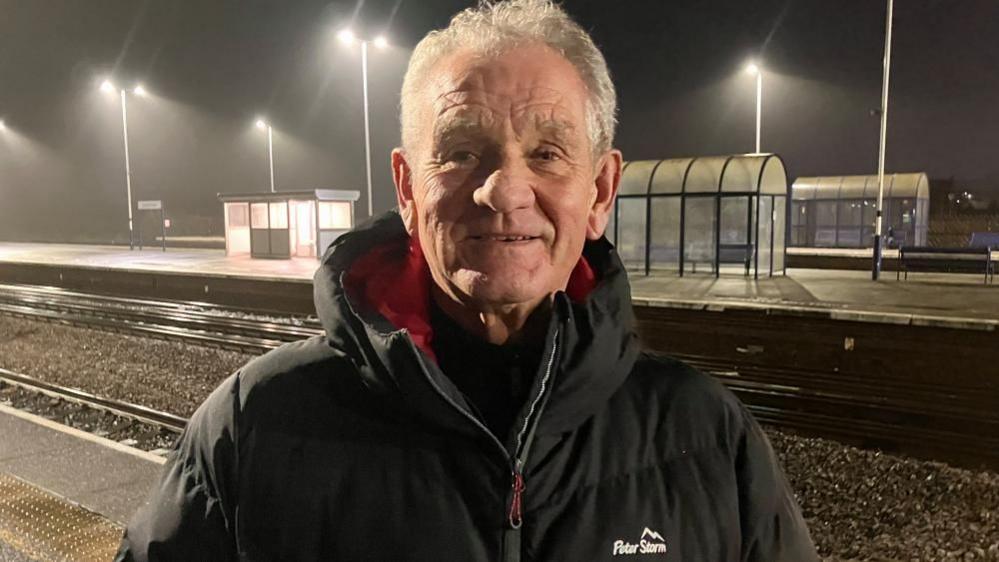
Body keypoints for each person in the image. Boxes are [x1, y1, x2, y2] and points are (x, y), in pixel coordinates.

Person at [117, 1, 818, 560]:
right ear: (407, 187)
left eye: (546, 152)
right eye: (459, 152)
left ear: (600, 191)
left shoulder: (706, 438)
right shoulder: (255, 425)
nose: (503, 191)